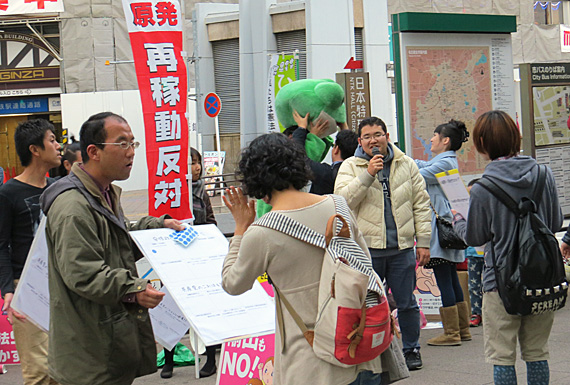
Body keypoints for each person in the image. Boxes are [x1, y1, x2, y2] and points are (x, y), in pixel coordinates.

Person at [221, 133, 401, 385]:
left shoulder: (261, 233)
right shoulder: (338, 206)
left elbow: (233, 283)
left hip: (310, 364)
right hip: (361, 352)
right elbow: (365, 264)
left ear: (255, 179)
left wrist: (240, 229)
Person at [39, 112, 184, 385]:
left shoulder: (103, 192)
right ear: (93, 152)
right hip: (89, 357)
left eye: (133, 143)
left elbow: (117, 239)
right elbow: (83, 273)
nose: (131, 152)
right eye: (123, 144)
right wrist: (134, 289)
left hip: (108, 346)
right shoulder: (73, 207)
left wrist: (157, 227)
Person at [453, 110, 562, 385]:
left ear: (482, 144)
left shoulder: (482, 188)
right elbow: (556, 222)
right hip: (541, 276)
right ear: (516, 136)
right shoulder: (543, 174)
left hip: (500, 282)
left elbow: (475, 237)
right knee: (537, 352)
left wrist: (457, 220)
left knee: (502, 355)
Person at [334, 116, 431, 371]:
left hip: (400, 249)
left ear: (387, 136)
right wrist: (368, 175)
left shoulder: (406, 164)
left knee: (407, 302)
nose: (372, 141)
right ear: (359, 141)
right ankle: (371, 350)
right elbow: (342, 201)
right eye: (366, 137)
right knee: (367, 305)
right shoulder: (350, 167)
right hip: (367, 251)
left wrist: (424, 241)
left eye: (377, 134)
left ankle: (411, 348)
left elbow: (421, 204)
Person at [0, 119, 61, 385]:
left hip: (60, 286)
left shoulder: (59, 188)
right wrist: (8, 290)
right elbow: (1, 244)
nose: (58, 146)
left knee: (64, 367)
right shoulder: (8, 193)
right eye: (52, 140)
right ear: (35, 149)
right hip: (26, 288)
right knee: (38, 373)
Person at [161, 147, 218, 379]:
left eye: (198, 163)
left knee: (206, 309)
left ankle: (211, 358)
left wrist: (203, 236)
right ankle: (168, 360)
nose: (196, 168)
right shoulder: (170, 192)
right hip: (174, 261)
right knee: (170, 310)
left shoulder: (201, 191)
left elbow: (212, 220)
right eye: (191, 163)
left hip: (199, 259)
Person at [414, 119, 471, 346]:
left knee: (443, 279)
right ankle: (462, 329)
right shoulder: (445, 161)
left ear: (445, 140)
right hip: (448, 227)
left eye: (435, 136)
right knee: (450, 278)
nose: (431, 139)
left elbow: (418, 174)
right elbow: (421, 165)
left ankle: (451, 333)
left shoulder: (444, 163)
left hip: (440, 231)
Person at [464, 179, 483, 328]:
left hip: (489, 253)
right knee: (473, 285)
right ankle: (476, 312)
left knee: (493, 285)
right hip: (472, 252)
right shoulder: (465, 209)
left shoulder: (486, 207)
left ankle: (490, 312)